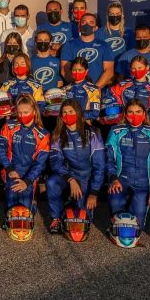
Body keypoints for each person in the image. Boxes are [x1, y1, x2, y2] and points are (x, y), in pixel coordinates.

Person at [45, 99, 105, 234]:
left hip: (87, 177)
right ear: (61, 116)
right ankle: (56, 218)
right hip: (69, 175)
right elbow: (55, 162)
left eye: (71, 111)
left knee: (82, 218)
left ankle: (71, 203)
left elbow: (99, 165)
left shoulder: (93, 133)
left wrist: (94, 192)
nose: (67, 115)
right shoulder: (58, 135)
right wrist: (70, 179)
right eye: (64, 112)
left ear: (78, 112)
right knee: (51, 182)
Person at [105, 99, 150, 229]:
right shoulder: (116, 131)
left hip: (143, 184)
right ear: (125, 115)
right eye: (130, 112)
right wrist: (113, 179)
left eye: (138, 112)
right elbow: (109, 159)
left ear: (144, 114)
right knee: (117, 221)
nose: (134, 115)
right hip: (120, 181)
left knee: (138, 227)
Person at [0, 94, 50, 218]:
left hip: (30, 175)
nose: (22, 116)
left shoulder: (42, 134)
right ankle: (8, 214)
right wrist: (9, 169)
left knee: (25, 210)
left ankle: (31, 205)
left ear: (34, 111)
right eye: (19, 112)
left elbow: (40, 163)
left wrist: (27, 180)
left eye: (26, 112)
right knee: (12, 197)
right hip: (10, 169)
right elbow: (0, 149)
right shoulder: (9, 126)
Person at [59, 12, 115, 89]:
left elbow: (109, 71)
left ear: (96, 28)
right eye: (83, 22)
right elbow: (64, 70)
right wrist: (78, 87)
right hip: (75, 91)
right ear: (79, 26)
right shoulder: (69, 45)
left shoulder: (104, 46)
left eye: (91, 22)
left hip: (97, 91)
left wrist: (94, 89)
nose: (86, 25)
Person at [116, 24, 150, 93]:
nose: (142, 39)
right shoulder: (126, 56)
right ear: (135, 37)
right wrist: (125, 94)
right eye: (139, 37)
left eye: (145, 37)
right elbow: (119, 78)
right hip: (132, 98)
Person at [110, 55, 150, 122]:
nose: (137, 70)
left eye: (140, 68)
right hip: (123, 123)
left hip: (144, 124)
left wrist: (138, 123)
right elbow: (111, 100)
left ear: (147, 67)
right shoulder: (122, 85)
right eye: (134, 68)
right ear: (130, 69)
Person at [63, 57, 102, 122]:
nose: (77, 72)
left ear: (86, 71)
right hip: (67, 126)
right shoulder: (64, 89)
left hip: (84, 124)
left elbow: (95, 113)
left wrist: (74, 115)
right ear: (70, 71)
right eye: (74, 70)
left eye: (80, 70)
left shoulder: (93, 89)